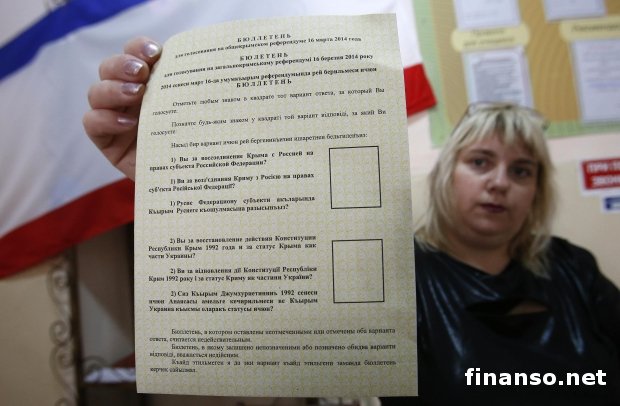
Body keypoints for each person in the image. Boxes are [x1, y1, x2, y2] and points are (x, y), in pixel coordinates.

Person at [84, 38, 620, 405]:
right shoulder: (388, 272)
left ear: (536, 190)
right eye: (480, 162)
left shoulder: (573, 268)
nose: (500, 182)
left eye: (521, 170)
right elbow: (266, 306)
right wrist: (183, 176)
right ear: (446, 174)